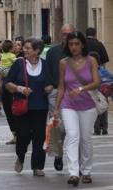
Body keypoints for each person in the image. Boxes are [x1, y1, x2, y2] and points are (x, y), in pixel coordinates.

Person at [53, 31, 100, 186]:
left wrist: (80, 89)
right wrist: (56, 107)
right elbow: (61, 87)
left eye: (76, 44)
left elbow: (97, 82)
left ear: (82, 45)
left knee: (85, 139)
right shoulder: (63, 63)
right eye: (70, 44)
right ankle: (73, 173)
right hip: (69, 105)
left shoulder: (91, 60)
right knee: (73, 136)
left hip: (88, 106)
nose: (73, 47)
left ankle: (86, 170)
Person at [5, 38, 52, 177]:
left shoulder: (45, 64)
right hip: (22, 107)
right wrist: (19, 88)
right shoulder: (18, 64)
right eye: (24, 47)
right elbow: (7, 83)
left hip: (40, 107)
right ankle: (20, 156)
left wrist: (49, 87)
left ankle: (37, 166)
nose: (23, 50)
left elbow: (51, 82)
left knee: (39, 137)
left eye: (27, 48)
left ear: (37, 51)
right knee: (23, 135)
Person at [46, 23, 75, 171]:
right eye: (64, 34)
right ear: (60, 34)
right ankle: (58, 155)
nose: (67, 37)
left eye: (69, 33)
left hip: (74, 93)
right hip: (56, 92)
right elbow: (48, 70)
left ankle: (75, 162)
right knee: (59, 128)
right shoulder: (53, 51)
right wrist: (50, 84)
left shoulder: (78, 51)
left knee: (73, 129)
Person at [0, 40, 17, 144]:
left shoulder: (15, 57)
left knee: (17, 111)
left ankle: (21, 134)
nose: (16, 47)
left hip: (16, 87)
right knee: (8, 110)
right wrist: (3, 43)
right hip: (6, 86)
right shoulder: (10, 56)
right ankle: (15, 136)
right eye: (15, 45)